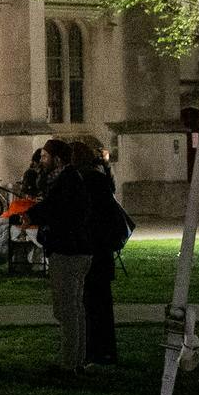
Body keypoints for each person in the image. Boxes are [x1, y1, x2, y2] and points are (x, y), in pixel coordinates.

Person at [23, 137, 97, 372]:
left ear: (57, 159)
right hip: (76, 250)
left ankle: (69, 363)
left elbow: (56, 210)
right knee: (74, 308)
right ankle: (76, 360)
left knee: (66, 309)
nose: (41, 160)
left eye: (44, 156)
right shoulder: (68, 179)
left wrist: (32, 216)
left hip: (69, 252)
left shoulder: (66, 180)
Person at [74, 140, 121, 366]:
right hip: (102, 250)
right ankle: (106, 351)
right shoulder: (99, 179)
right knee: (102, 304)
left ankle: (95, 351)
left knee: (92, 304)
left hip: (92, 249)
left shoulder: (84, 181)